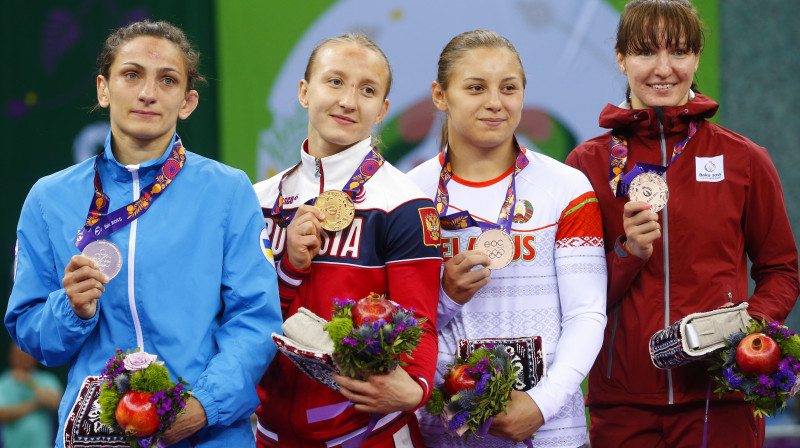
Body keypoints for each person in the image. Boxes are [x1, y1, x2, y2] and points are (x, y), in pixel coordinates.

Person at [5, 20, 282, 447]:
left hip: (206, 433)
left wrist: (204, 407)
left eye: (167, 80)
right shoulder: (49, 198)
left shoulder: (227, 191)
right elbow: (30, 330)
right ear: (103, 89)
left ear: (188, 101)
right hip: (97, 433)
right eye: (132, 74)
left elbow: (255, 321)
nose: (148, 93)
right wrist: (71, 310)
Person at [565, 1, 800, 446]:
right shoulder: (586, 165)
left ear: (696, 59)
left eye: (678, 52)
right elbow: (575, 293)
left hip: (719, 398)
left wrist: (744, 332)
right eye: (644, 52)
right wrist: (626, 256)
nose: (663, 69)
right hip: (623, 402)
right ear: (620, 59)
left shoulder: (743, 159)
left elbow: (781, 270)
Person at [406, 30, 607, 447]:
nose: (495, 102)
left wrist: (541, 405)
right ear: (440, 96)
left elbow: (586, 315)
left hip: (550, 428)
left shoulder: (568, 188)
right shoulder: (409, 195)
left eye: (509, 88)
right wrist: (445, 296)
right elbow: (404, 324)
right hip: (444, 430)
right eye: (476, 87)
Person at [253, 33, 442, 447]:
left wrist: (418, 387)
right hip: (270, 435)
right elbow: (245, 319)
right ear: (305, 92)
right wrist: (289, 269)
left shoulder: (406, 204)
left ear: (382, 111)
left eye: (368, 90)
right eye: (334, 81)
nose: (348, 101)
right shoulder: (258, 201)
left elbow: (420, 322)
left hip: (368, 433)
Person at [0, 343, 62, 448]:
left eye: (26, 355)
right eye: (19, 355)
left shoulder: (47, 379)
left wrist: (30, 382)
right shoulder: (3, 383)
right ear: (11, 356)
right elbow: (2, 414)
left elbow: (60, 405)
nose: (23, 358)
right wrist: (35, 404)